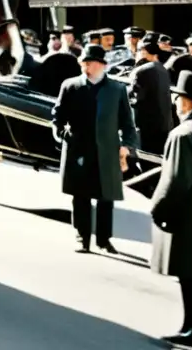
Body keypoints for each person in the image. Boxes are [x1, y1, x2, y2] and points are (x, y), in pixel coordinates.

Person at [51, 44, 139, 254]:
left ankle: (104, 239)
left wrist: (127, 145)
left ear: (102, 65)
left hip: (107, 150)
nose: (86, 66)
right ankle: (82, 237)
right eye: (84, 62)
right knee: (80, 196)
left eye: (90, 63)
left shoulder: (117, 90)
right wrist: (62, 135)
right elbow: (58, 116)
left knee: (105, 197)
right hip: (78, 149)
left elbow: (128, 122)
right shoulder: (71, 86)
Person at [151, 71, 192, 348]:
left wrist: (159, 210)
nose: (175, 102)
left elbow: (176, 181)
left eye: (178, 97)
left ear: (186, 102)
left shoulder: (185, 134)